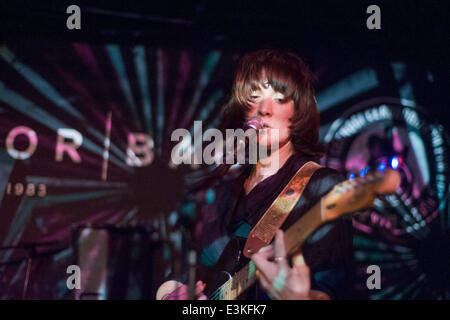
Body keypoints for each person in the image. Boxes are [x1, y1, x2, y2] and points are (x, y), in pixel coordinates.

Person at [156, 49, 353, 300]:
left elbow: (331, 287)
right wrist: (171, 294)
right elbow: (180, 273)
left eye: (279, 98)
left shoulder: (322, 187)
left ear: (298, 112)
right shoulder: (220, 192)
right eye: (255, 96)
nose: (264, 109)